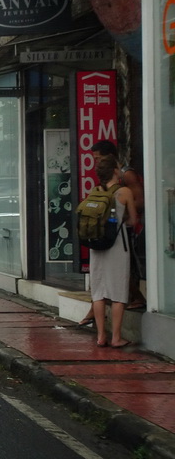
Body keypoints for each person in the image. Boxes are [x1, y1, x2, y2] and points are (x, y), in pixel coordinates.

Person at [79, 140, 146, 326]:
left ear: (110, 157)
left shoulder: (126, 176)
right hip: (111, 232)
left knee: (121, 273)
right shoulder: (104, 182)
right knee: (107, 277)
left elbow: (140, 202)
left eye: (98, 158)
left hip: (125, 232)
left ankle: (135, 298)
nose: (96, 162)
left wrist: (120, 209)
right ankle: (98, 312)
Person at [88, 155, 138, 348]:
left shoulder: (94, 191)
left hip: (97, 246)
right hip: (117, 245)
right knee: (118, 291)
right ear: (116, 172)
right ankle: (116, 337)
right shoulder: (124, 192)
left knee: (98, 291)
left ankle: (101, 336)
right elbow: (133, 220)